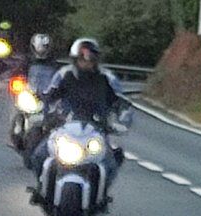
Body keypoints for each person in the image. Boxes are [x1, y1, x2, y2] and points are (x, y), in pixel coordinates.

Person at [30, 37, 132, 193]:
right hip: (65, 127)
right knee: (38, 155)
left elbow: (120, 103)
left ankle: (101, 195)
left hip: (96, 130)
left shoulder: (105, 80)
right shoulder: (65, 76)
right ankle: (42, 187)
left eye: (90, 59)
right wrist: (41, 113)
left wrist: (120, 122)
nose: (87, 62)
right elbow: (49, 96)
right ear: (75, 59)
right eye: (82, 58)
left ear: (96, 60)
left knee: (111, 164)